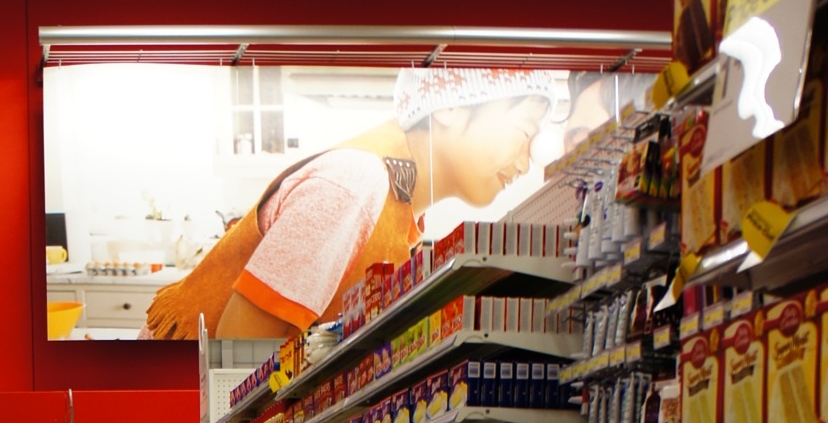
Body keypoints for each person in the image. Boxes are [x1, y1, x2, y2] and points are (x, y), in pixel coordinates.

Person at [145, 65, 559, 342]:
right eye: (524, 131)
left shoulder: (399, 206)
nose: (527, 162)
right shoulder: (354, 185)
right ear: (448, 106)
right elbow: (241, 348)